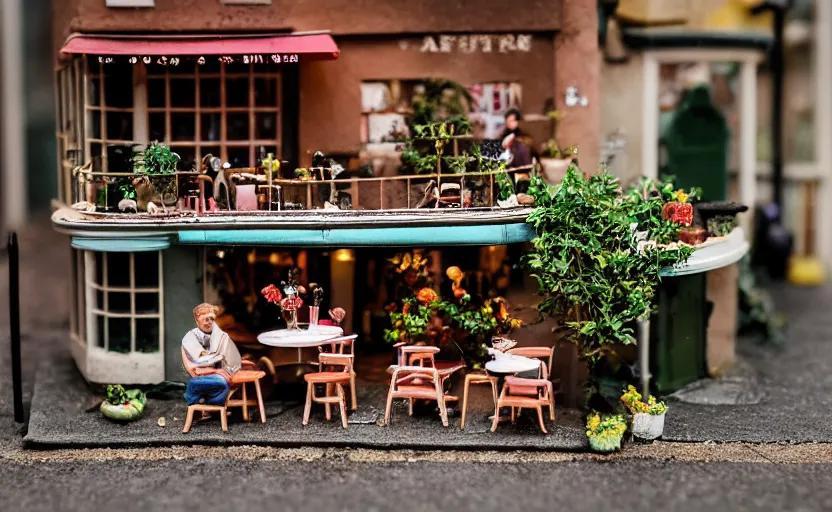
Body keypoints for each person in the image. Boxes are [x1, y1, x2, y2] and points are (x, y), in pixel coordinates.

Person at [182, 303, 243, 409]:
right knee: (222, 383)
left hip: (217, 376)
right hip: (200, 378)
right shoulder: (190, 338)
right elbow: (197, 369)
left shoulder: (221, 336)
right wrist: (217, 371)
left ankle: (211, 405)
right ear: (197, 321)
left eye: (211, 319)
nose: (209, 322)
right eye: (205, 319)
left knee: (230, 381)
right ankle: (200, 401)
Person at [499, 109, 537, 193]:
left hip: (524, 171)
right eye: (508, 121)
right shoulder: (503, 136)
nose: (510, 123)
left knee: (523, 191)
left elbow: (533, 150)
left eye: (512, 120)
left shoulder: (525, 136)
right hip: (509, 171)